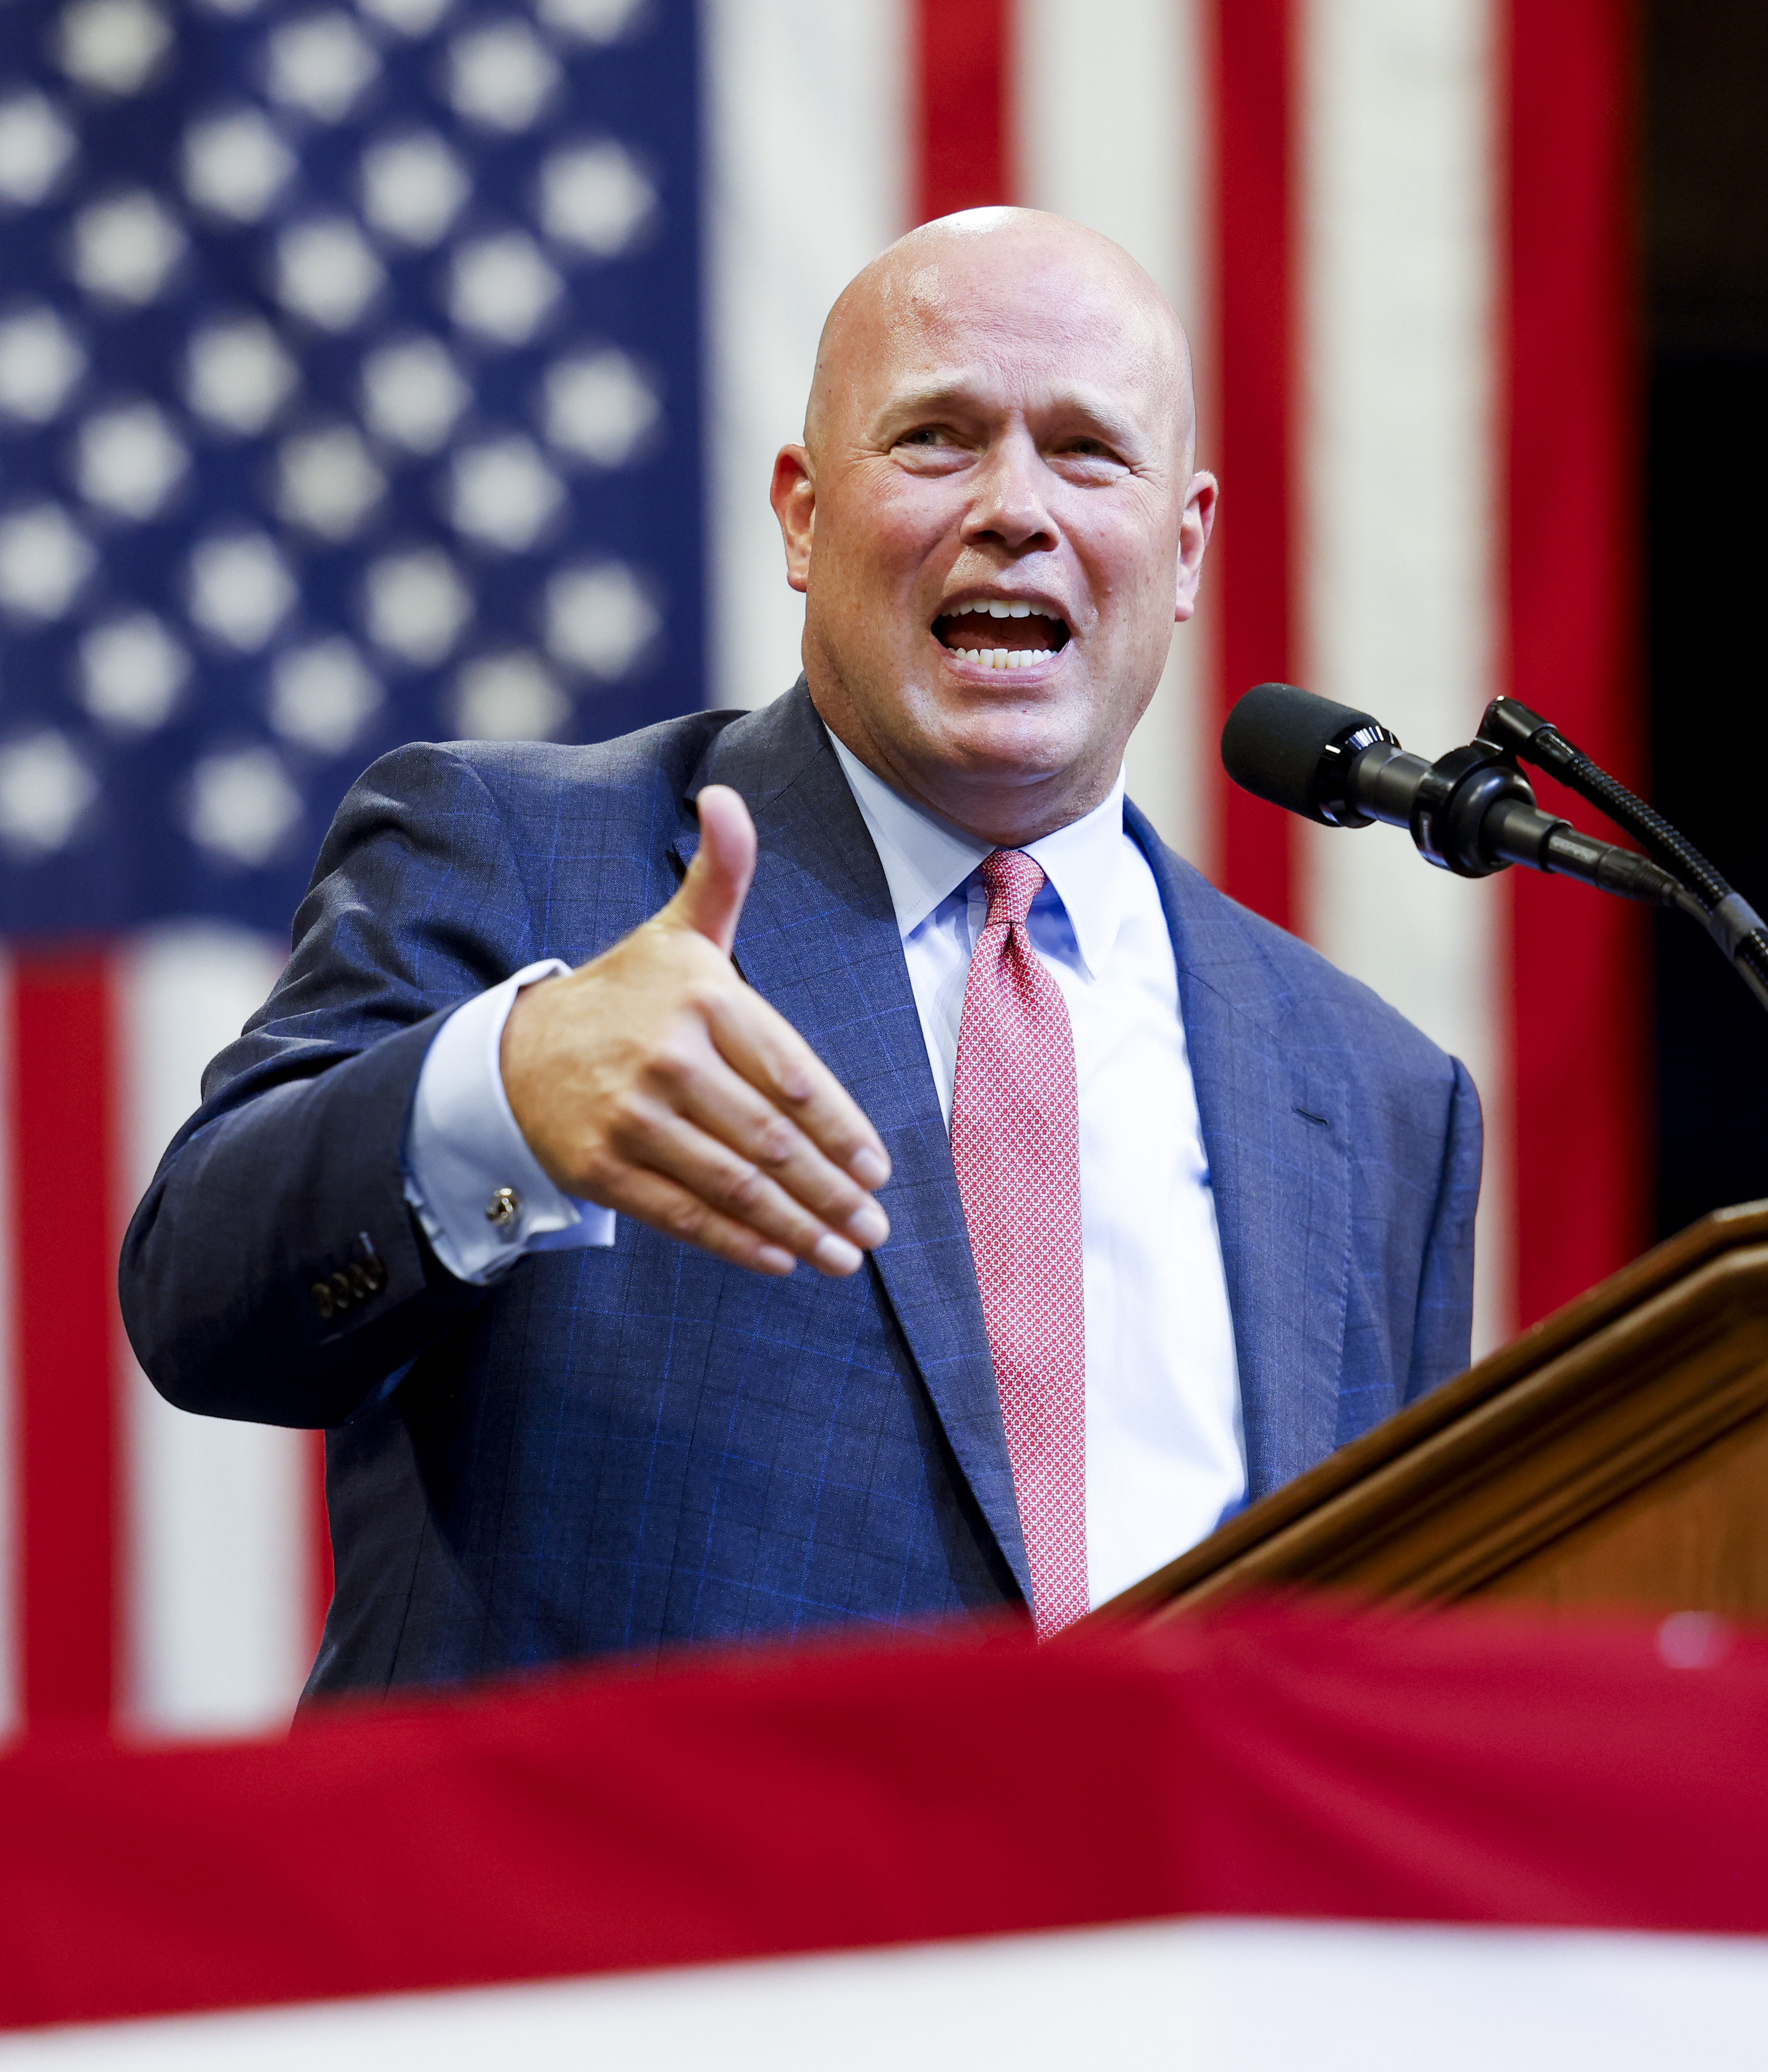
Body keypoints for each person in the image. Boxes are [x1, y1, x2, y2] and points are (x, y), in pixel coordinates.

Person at [121, 209, 1480, 1693]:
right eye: (937, 439)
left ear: (1185, 544)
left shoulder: (1378, 1098)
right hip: (645, 1850)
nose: (1015, 507)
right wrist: (503, 1092)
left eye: (1088, 452)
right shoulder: (526, 857)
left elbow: (1391, 1649)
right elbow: (203, 1300)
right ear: (802, 515)